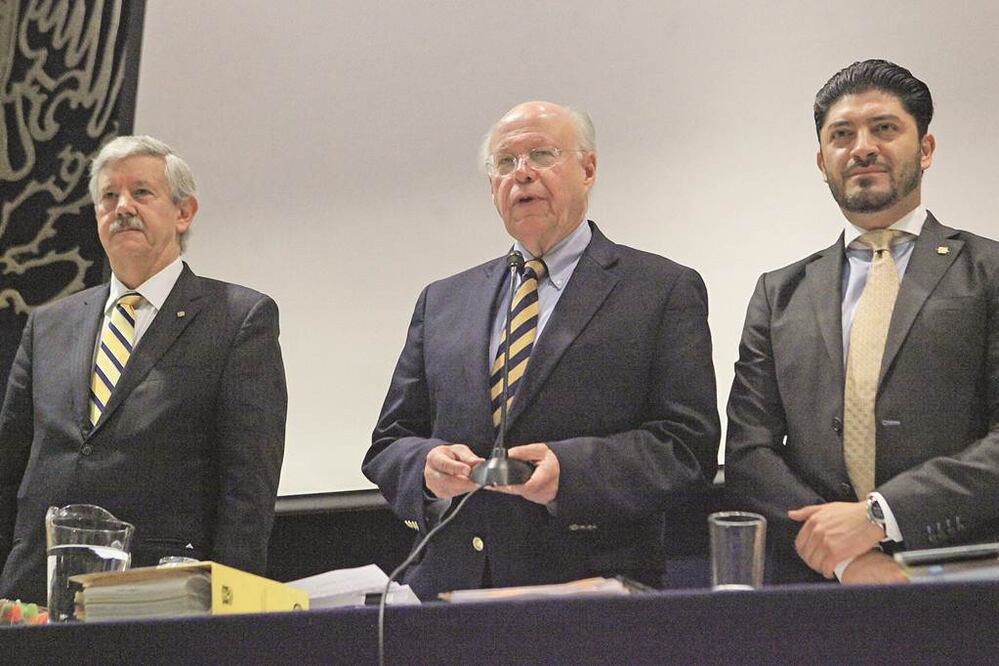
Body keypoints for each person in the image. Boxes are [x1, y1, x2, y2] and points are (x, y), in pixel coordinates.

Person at [364, 101, 720, 600]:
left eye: (542, 154)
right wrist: (425, 467)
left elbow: (686, 449)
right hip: (451, 594)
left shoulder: (660, 290)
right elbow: (389, 443)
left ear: (588, 168)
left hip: (593, 593)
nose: (522, 174)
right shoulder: (443, 300)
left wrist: (569, 472)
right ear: (493, 188)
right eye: (506, 164)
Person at [726, 60, 999, 584]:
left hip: (966, 576)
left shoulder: (987, 274)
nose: (862, 147)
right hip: (818, 580)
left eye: (885, 128)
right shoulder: (779, 293)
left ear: (926, 149)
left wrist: (882, 515)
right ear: (822, 161)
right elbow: (749, 452)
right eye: (842, 135)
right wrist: (846, 556)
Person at [0, 135, 287, 604]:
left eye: (142, 193)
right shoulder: (48, 325)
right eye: (109, 196)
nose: (122, 207)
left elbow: (247, 485)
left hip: (164, 594)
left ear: (184, 212)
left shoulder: (237, 319)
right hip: (36, 593)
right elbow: (11, 466)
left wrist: (234, 609)